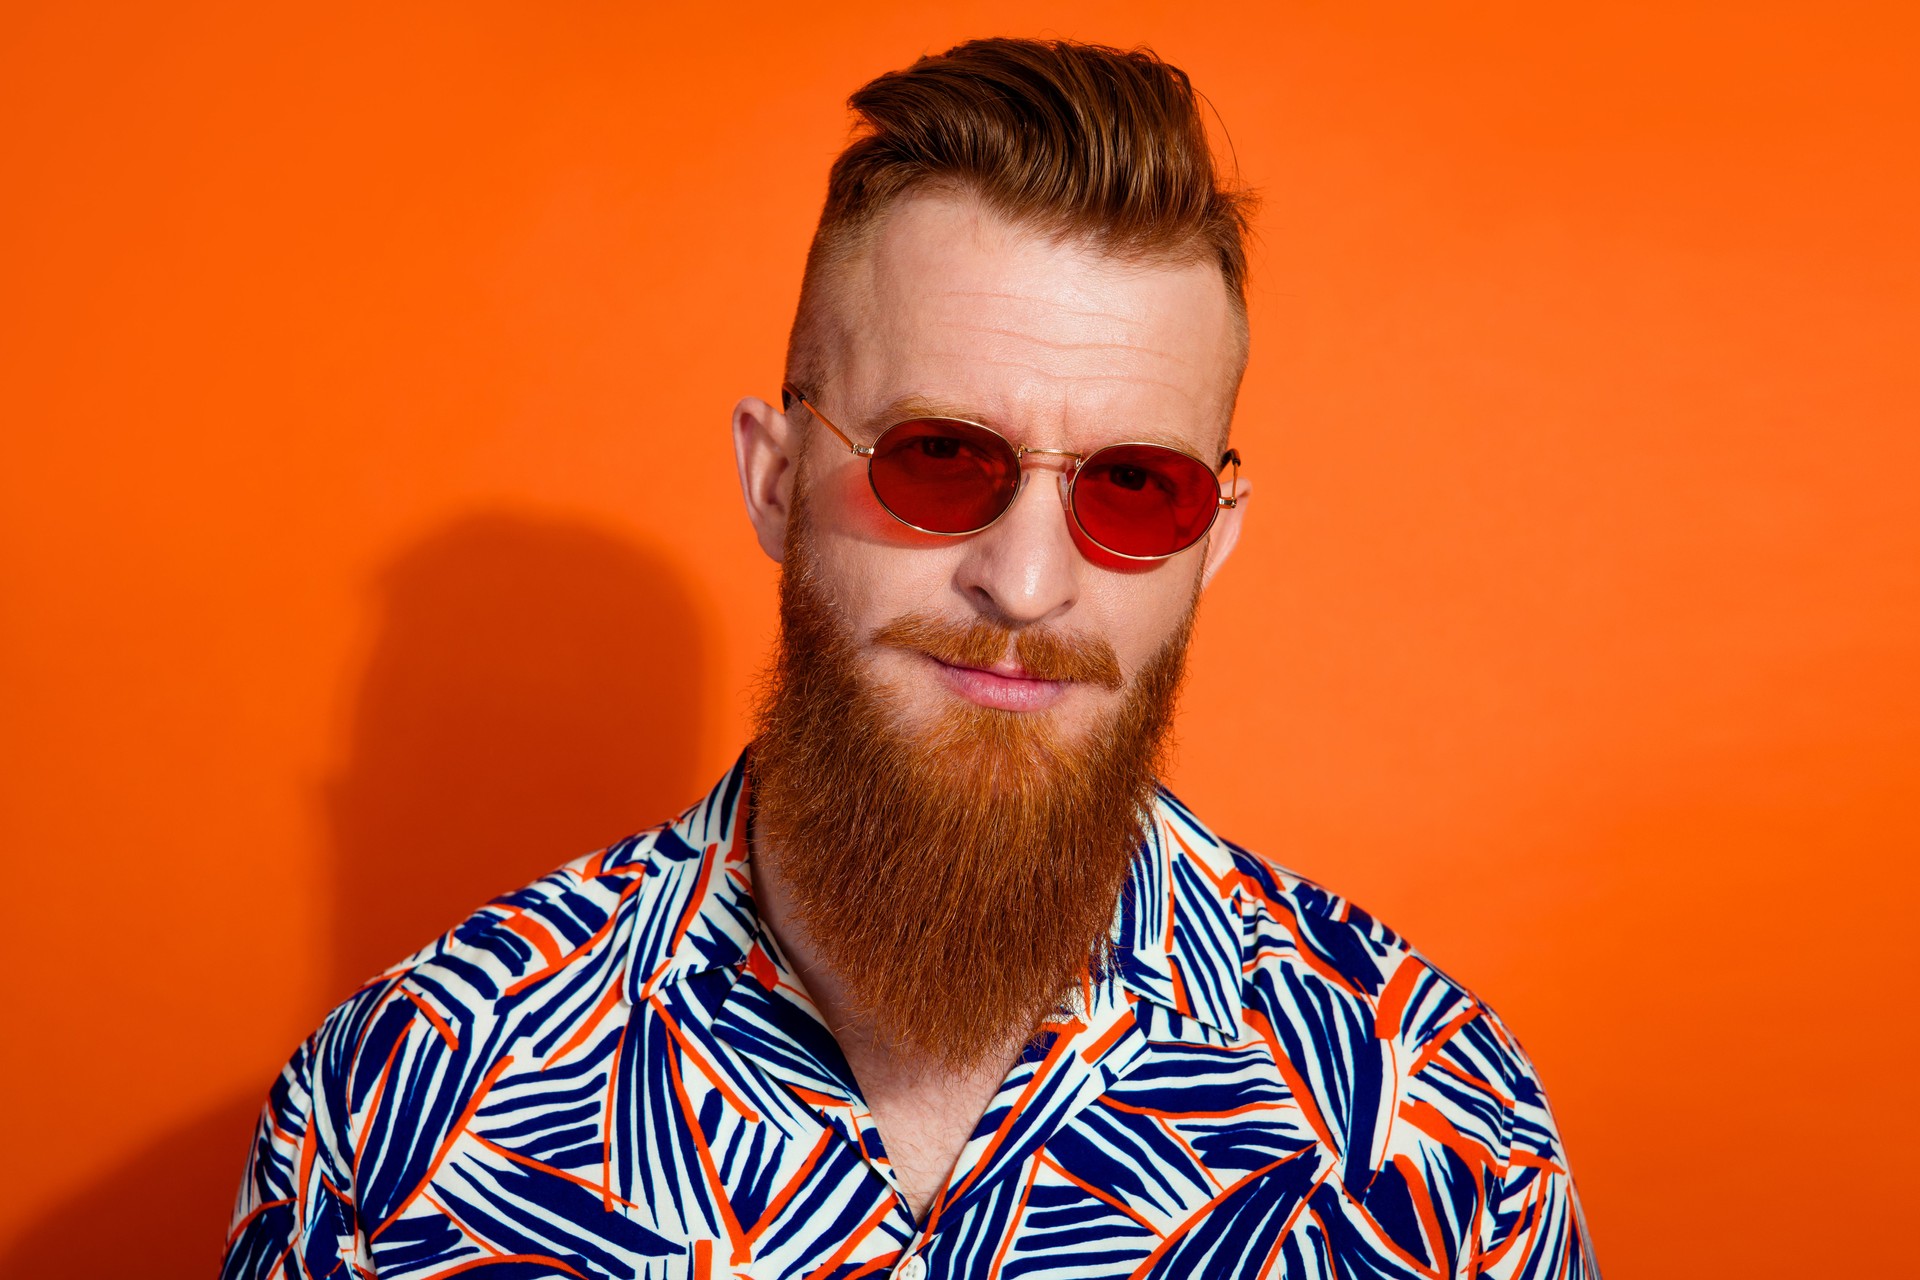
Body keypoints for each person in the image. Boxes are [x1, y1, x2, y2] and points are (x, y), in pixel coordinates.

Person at [223, 37, 1598, 1279]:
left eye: (1133, 487)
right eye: (938, 459)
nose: (1025, 579)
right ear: (772, 479)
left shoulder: (1440, 1138)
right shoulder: (393, 1121)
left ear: (1214, 540)